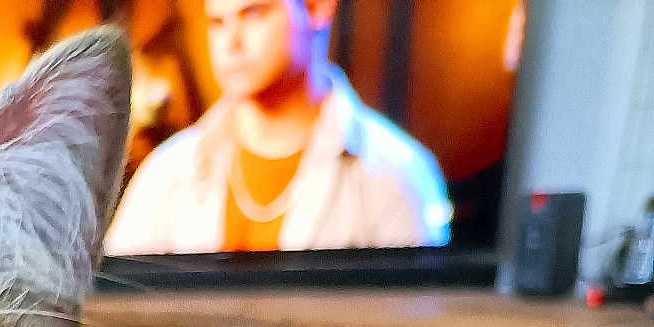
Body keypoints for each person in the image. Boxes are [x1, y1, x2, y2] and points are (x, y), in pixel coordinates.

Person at [104, 0, 452, 255]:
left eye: (253, 14)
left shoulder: (393, 175)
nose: (231, 43)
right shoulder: (168, 172)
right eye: (217, 23)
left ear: (317, 8)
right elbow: (115, 324)